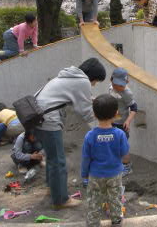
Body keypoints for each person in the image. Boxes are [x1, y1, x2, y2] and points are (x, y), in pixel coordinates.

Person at [35, 58, 106, 209]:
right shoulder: (83, 81)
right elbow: (85, 112)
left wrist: (93, 100)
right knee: (58, 161)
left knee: (51, 156)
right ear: (93, 76)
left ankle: (52, 188)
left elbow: (78, 98)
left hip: (36, 116)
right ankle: (61, 200)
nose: (94, 85)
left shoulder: (69, 75)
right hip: (48, 119)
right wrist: (106, 114)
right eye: (96, 81)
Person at [81, 94, 129, 227]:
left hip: (95, 175)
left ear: (94, 115)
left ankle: (93, 222)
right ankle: (116, 220)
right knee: (115, 198)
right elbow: (124, 154)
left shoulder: (90, 136)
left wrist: (84, 174)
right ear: (116, 114)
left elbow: (86, 158)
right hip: (114, 173)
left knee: (94, 200)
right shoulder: (120, 134)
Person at [109, 67, 137, 171]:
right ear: (111, 80)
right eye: (117, 84)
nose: (120, 87)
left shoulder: (127, 93)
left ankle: (127, 166)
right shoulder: (111, 88)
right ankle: (117, 162)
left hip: (122, 124)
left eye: (122, 85)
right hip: (112, 121)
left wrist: (128, 121)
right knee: (113, 143)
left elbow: (134, 108)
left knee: (123, 145)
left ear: (126, 82)